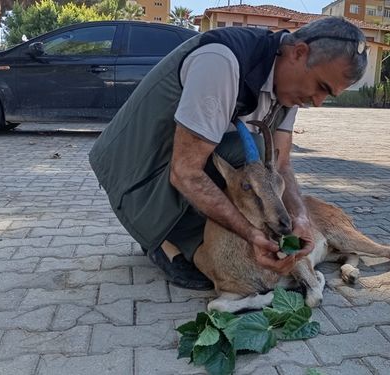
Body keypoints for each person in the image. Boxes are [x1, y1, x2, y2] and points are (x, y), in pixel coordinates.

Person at [88, 16, 368, 290]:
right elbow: (186, 172)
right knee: (249, 151)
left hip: (177, 162)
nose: (317, 103)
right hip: (134, 174)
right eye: (321, 87)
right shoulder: (221, 63)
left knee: (260, 159)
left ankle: (187, 228)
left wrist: (301, 219)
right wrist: (250, 234)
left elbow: (281, 165)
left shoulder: (290, 89)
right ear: (298, 52)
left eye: (327, 96)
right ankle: (163, 238)